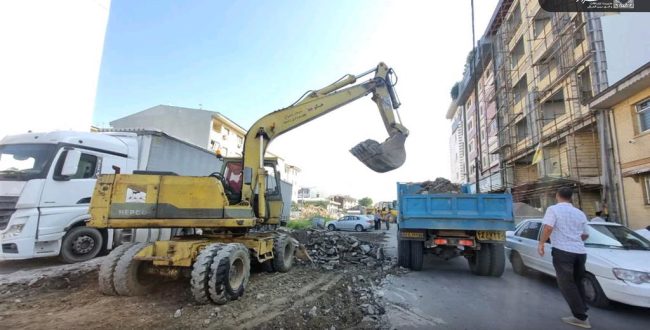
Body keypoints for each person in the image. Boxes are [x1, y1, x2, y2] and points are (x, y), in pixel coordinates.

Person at [538, 187, 591, 329]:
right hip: (580, 252)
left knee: (566, 284)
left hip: (563, 251)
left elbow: (548, 228)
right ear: (571, 197)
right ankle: (582, 308)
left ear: (557, 196)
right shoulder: (579, 213)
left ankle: (580, 317)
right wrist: (574, 239)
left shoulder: (553, 209)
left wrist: (542, 243)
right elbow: (586, 234)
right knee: (577, 281)